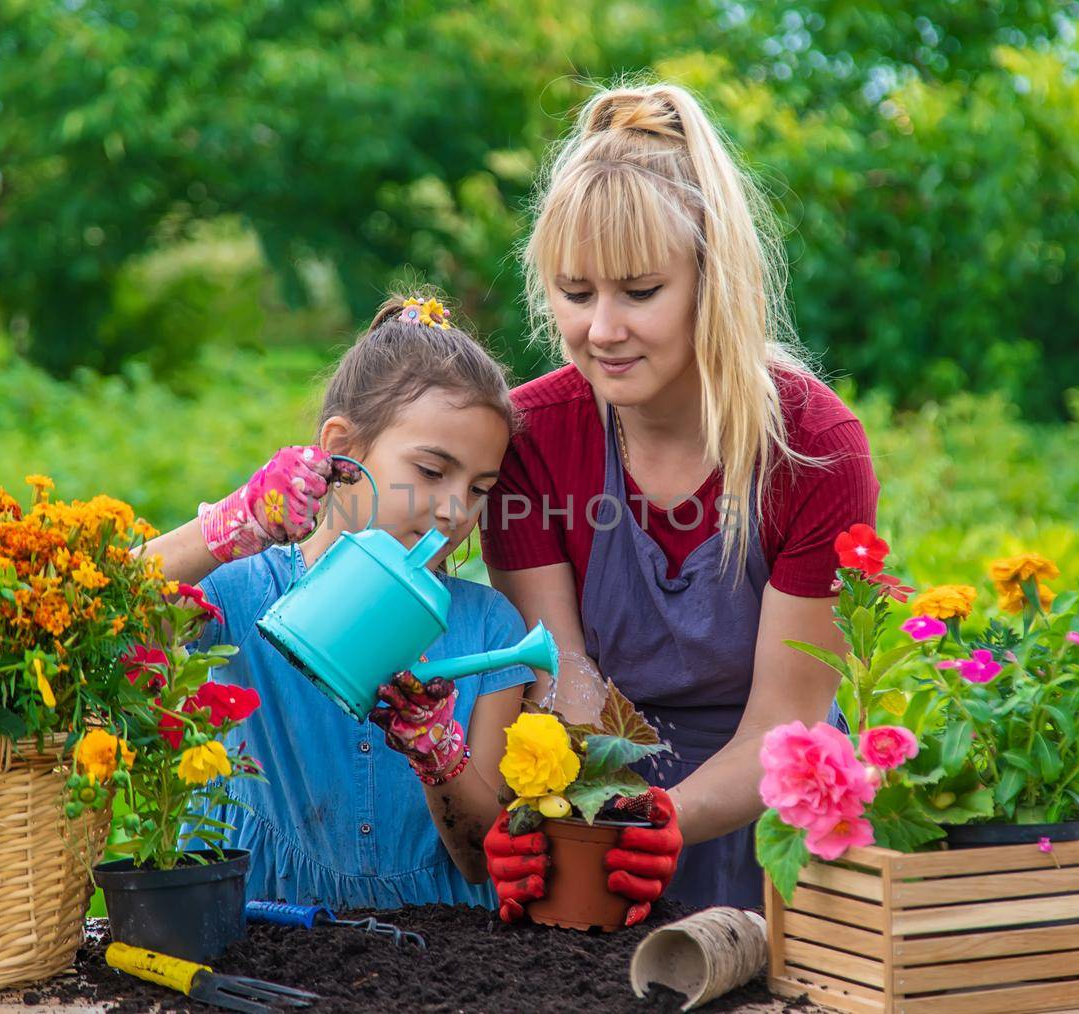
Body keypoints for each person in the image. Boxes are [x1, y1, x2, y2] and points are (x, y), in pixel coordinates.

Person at [481, 84, 879, 918]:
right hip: (603, 809)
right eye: (577, 293)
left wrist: (665, 821)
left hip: (774, 831)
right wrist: (591, 821)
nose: (603, 330)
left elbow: (783, 723)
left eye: (640, 291)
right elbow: (565, 681)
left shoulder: (812, 450)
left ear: (713, 279)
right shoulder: (531, 441)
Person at [145, 293, 533, 908]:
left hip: (440, 946)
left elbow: (482, 860)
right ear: (342, 449)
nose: (457, 510)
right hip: (261, 921)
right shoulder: (238, 591)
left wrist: (440, 755)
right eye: (433, 472)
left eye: (480, 488)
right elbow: (103, 608)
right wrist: (227, 528)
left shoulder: (487, 630)